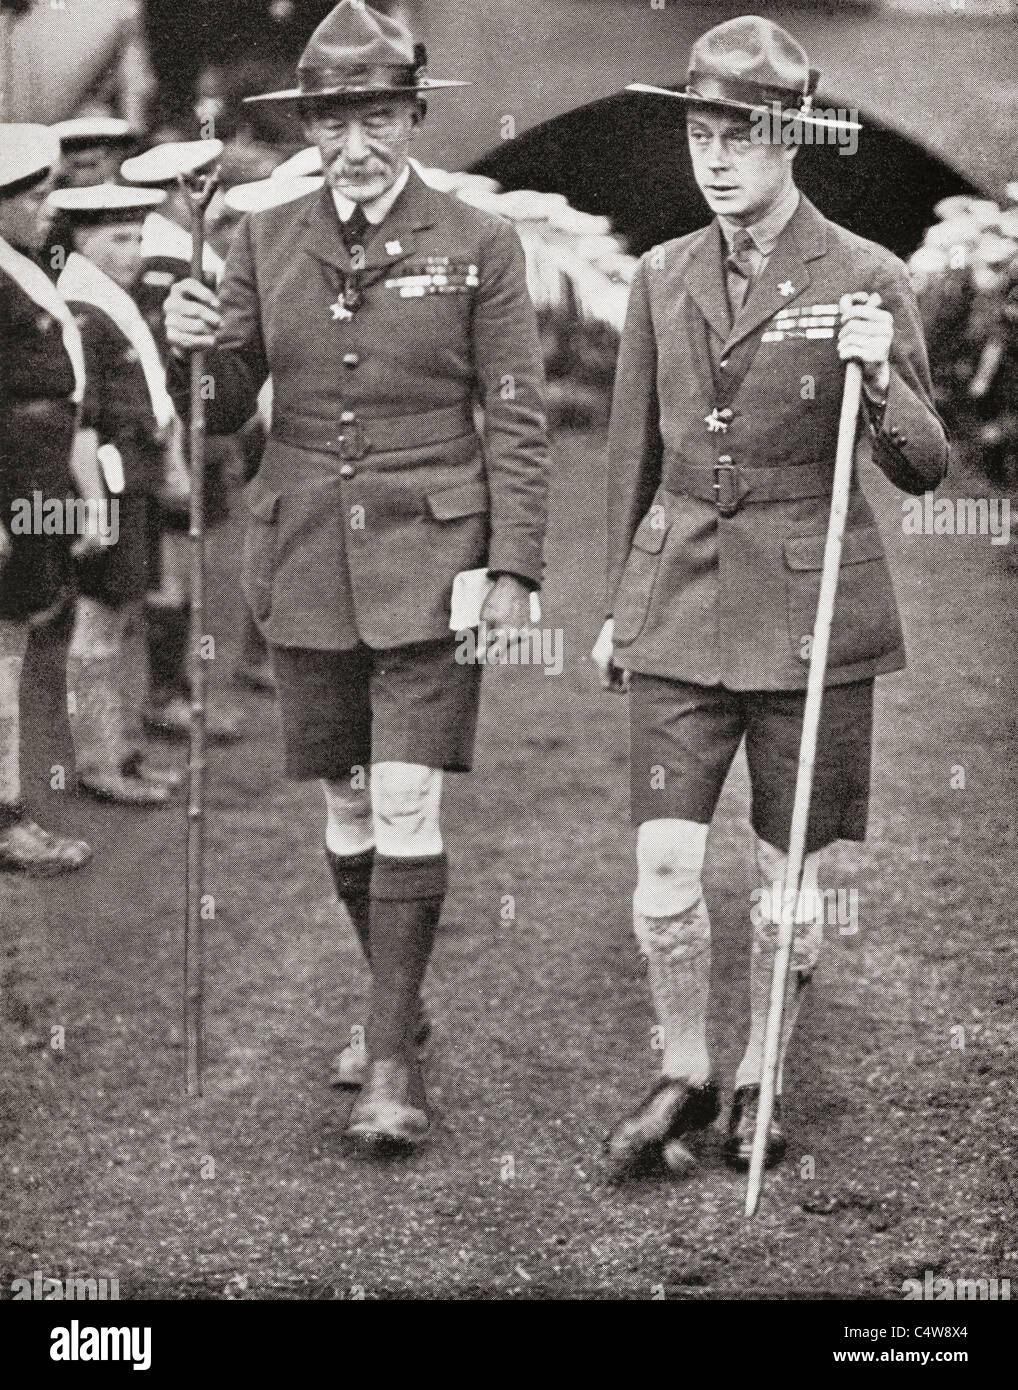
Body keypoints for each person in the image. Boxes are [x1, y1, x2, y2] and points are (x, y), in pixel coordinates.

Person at [162, 1, 549, 1150]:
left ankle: (389, 1065)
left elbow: (517, 418)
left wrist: (515, 565)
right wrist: (201, 347)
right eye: (333, 122)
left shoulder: (479, 240)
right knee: (340, 799)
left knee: (404, 794)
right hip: (303, 556)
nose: (355, 147)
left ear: (412, 116)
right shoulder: (260, 238)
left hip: (434, 554)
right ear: (309, 127)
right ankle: (401, 1000)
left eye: (376, 119)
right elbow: (228, 407)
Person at [593, 16, 949, 1180]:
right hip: (679, 597)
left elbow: (924, 462)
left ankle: (762, 1076)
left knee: (785, 873)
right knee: (661, 864)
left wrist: (880, 372)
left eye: (739, 136)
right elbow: (627, 457)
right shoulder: (658, 273)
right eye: (701, 133)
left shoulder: (866, 274)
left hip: (809, 609)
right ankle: (686, 1068)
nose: (716, 158)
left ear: (789, 142)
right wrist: (616, 602)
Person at [50, 182, 185, 805]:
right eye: (117, 237)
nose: (132, 251)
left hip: (134, 483)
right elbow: (78, 421)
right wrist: (92, 508)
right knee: (96, 626)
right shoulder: (80, 306)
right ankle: (100, 762)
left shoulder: (111, 300)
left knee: (118, 619)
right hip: (107, 486)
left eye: (137, 236)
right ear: (82, 238)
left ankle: (119, 752)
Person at [0, 126, 94, 874]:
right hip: (7, 494)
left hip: (34, 485)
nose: (48, 209)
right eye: (34, 196)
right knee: (1, 658)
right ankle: (6, 821)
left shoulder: (19, 265)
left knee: (17, 644)